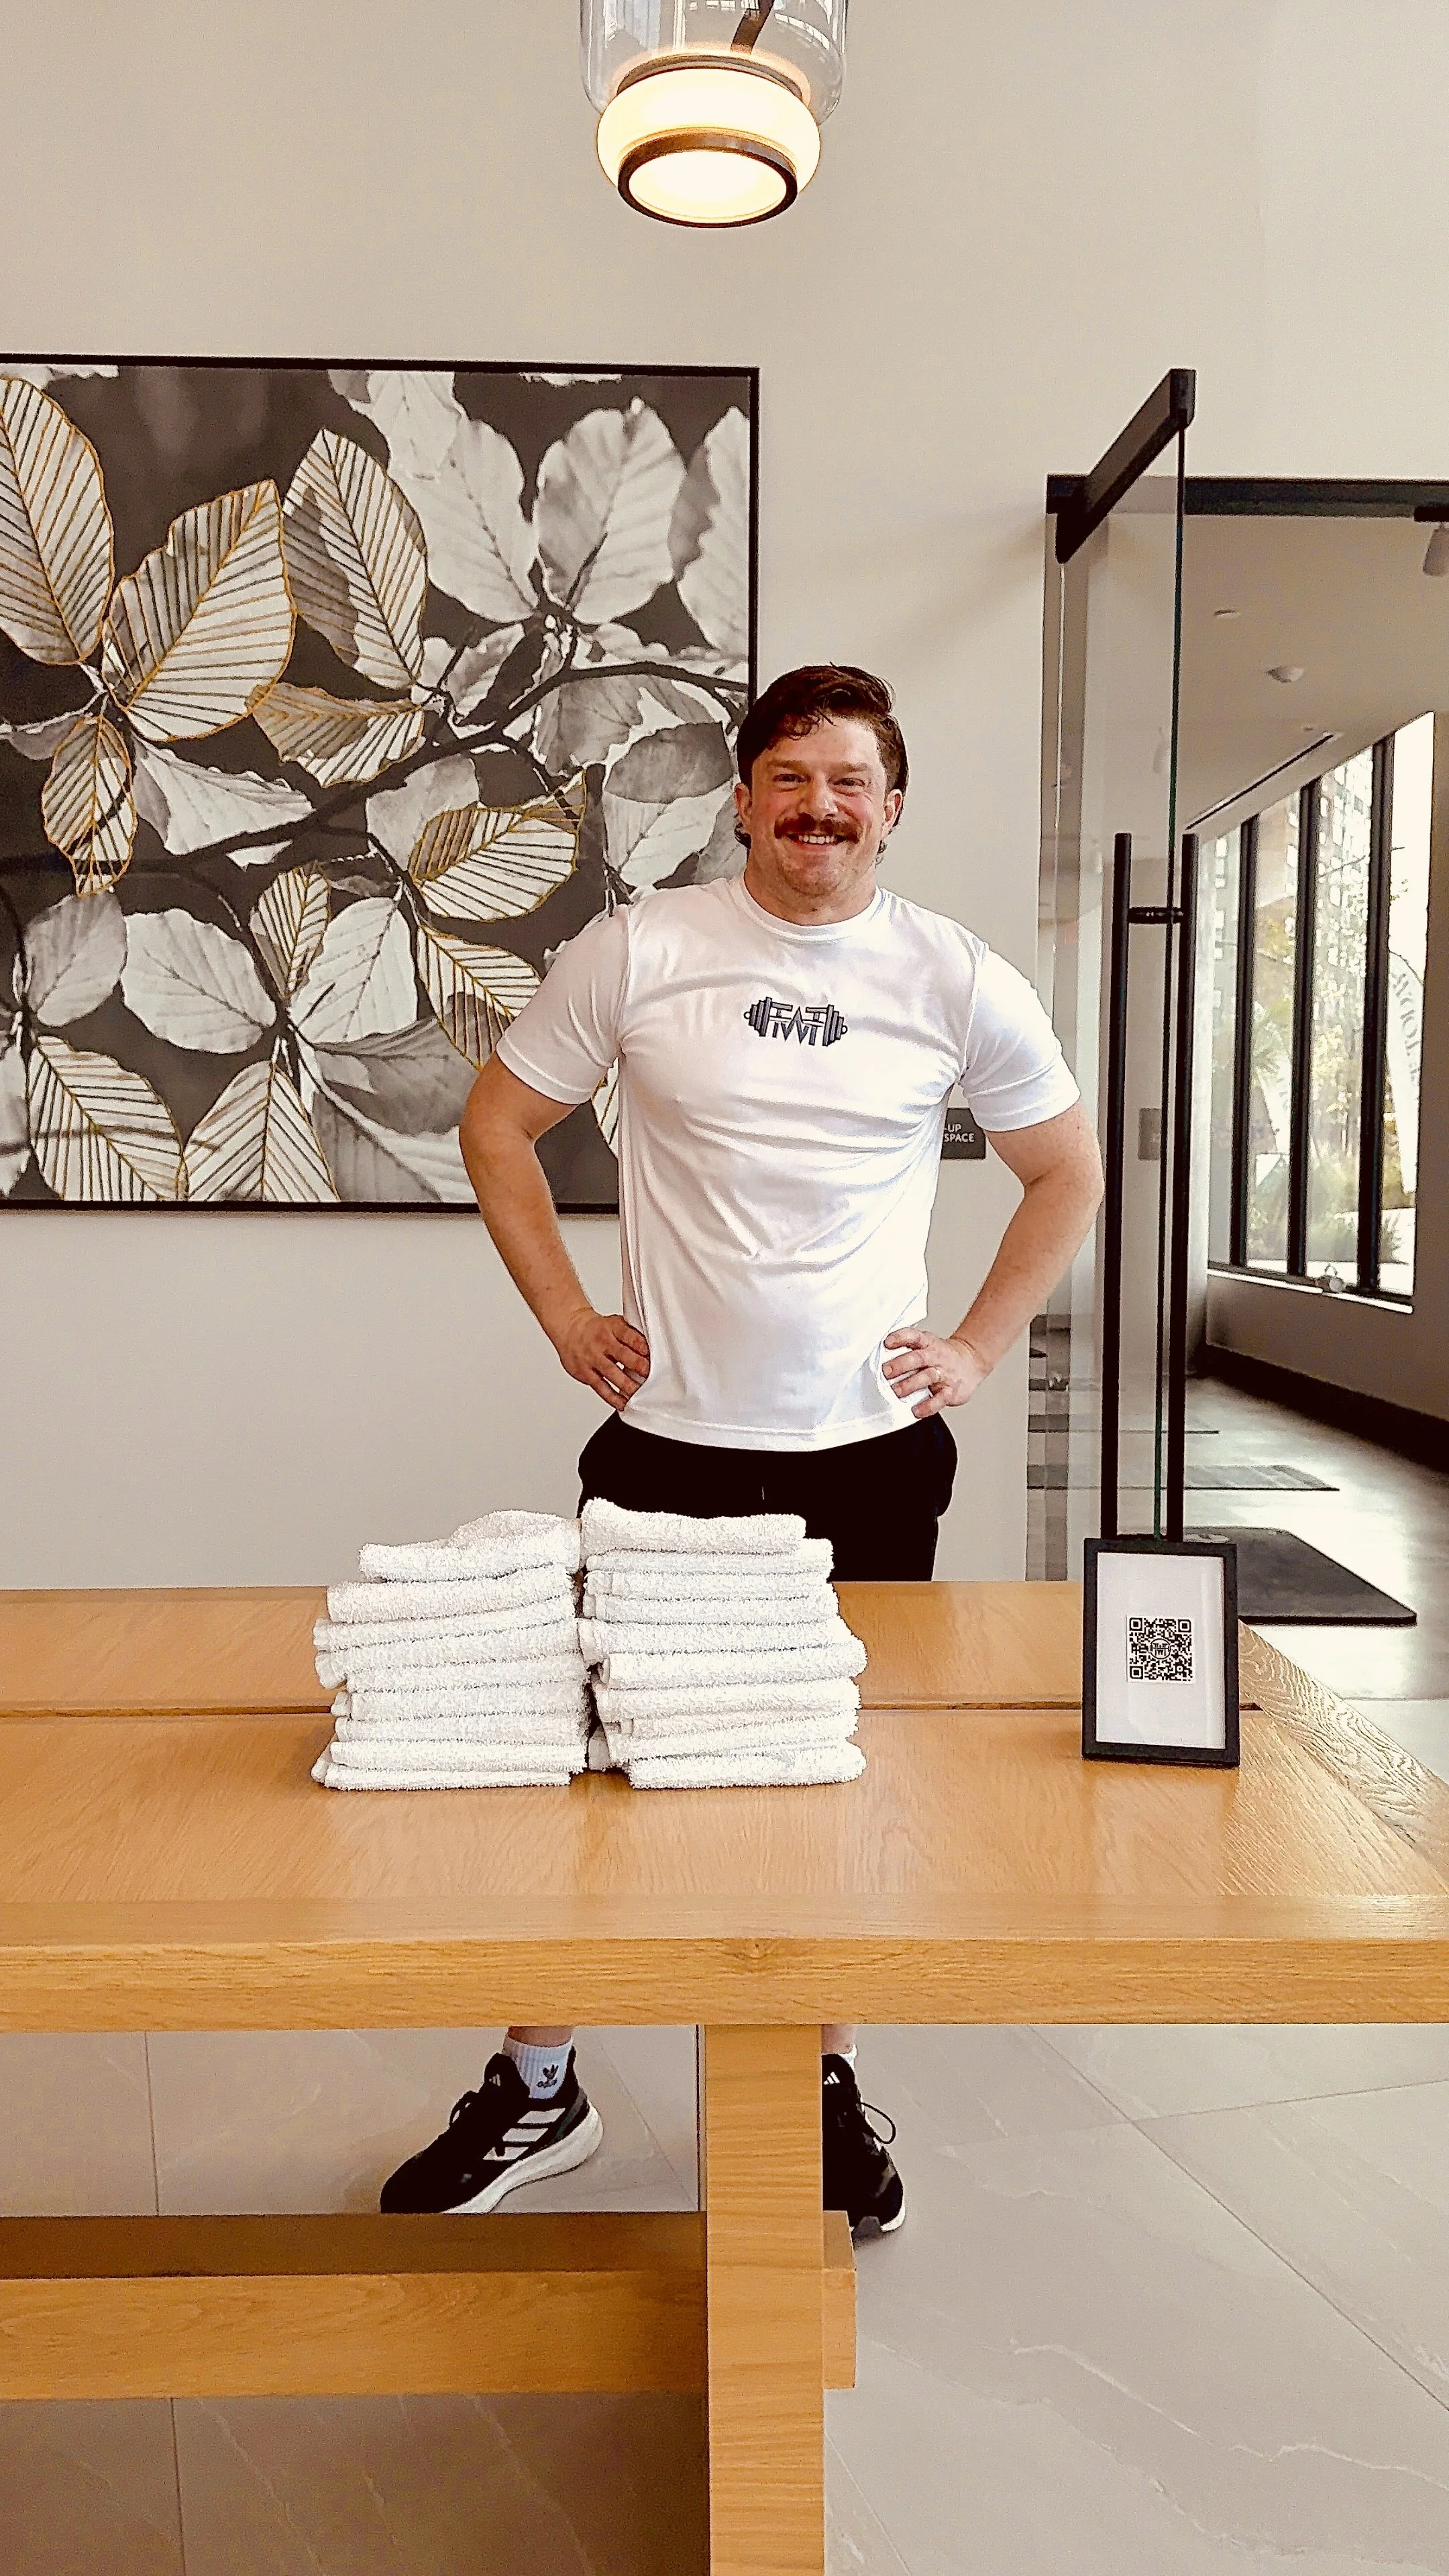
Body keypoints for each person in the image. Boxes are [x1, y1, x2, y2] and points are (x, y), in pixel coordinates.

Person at [380, 664, 1104, 2235]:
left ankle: (819, 2086)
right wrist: (569, 1314)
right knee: (601, 1776)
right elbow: (496, 1125)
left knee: (837, 1783)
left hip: (870, 1458)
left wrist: (974, 1345)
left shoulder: (958, 977)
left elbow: (1064, 1172)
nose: (819, 808)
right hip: (671, 1449)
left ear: (892, 807)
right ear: (744, 799)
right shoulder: (643, 949)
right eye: (790, 778)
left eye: (849, 781)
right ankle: (539, 2086)